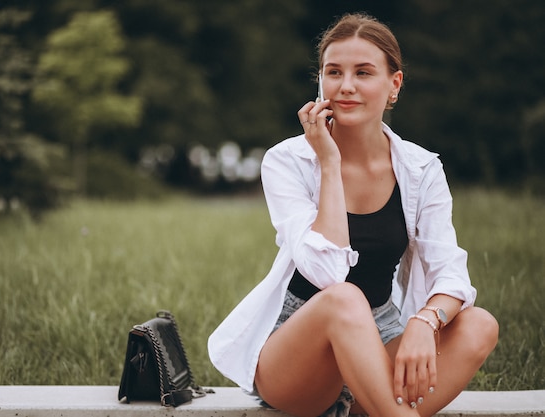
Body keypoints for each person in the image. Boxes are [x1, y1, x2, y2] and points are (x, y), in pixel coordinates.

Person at [208, 12, 499, 417]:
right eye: (334, 72)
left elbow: (451, 274)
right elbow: (328, 276)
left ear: (393, 84)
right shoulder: (287, 161)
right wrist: (329, 161)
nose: (346, 86)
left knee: (479, 324)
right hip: (299, 352)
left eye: (363, 73)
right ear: (321, 81)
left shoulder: (420, 168)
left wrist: (424, 322)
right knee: (344, 297)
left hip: (381, 337)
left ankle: (378, 405)